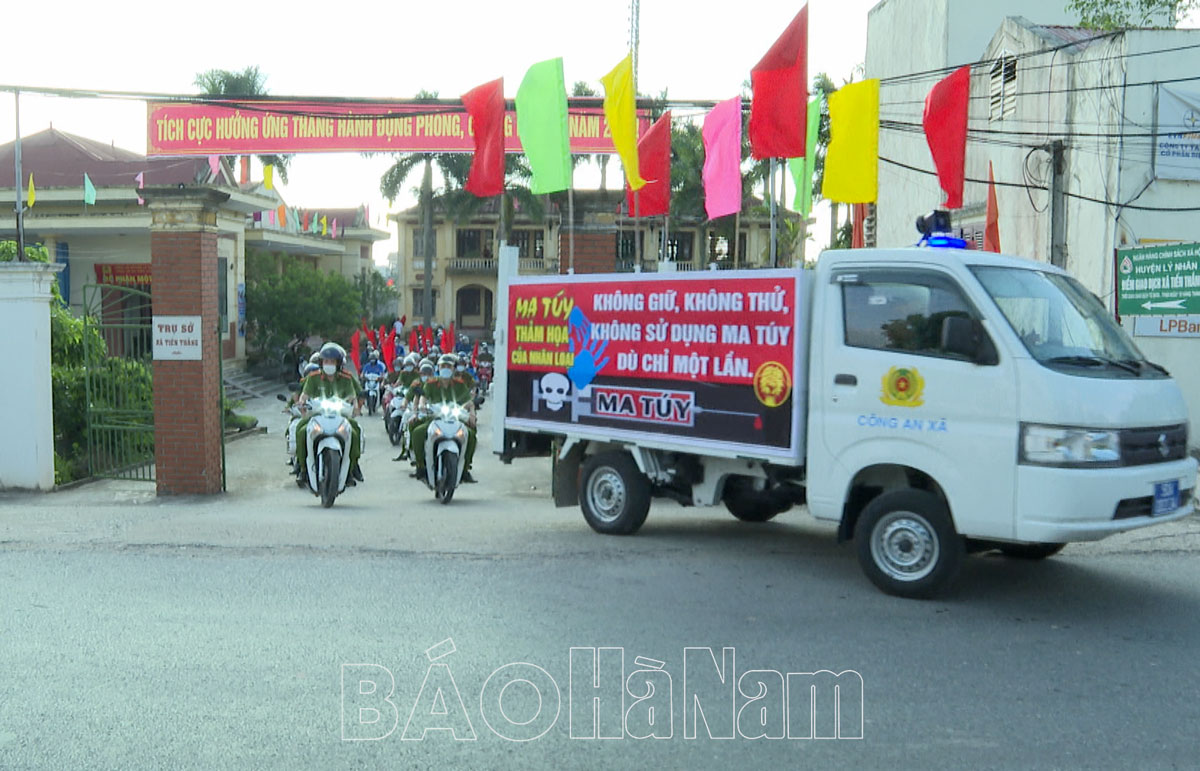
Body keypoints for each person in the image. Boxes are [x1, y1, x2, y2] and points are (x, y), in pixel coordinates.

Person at [294, 344, 365, 484]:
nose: (329, 365)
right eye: (326, 361)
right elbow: (304, 395)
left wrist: (356, 408)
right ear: (321, 363)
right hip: (317, 415)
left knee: (355, 432)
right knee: (301, 430)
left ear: (338, 364)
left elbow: (352, 397)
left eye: (332, 362)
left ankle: (351, 468)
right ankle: (302, 468)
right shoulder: (313, 378)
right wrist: (301, 403)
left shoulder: (346, 379)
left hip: (340, 417)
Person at [409, 353, 477, 483]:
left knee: (471, 435)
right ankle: (421, 466)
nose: (445, 369)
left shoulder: (459, 384)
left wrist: (472, 414)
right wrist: (422, 406)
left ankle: (465, 468)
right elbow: (423, 397)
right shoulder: (430, 383)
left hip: (455, 417)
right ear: (438, 368)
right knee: (418, 432)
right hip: (434, 417)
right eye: (443, 366)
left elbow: (469, 402)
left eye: (448, 366)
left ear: (453, 369)